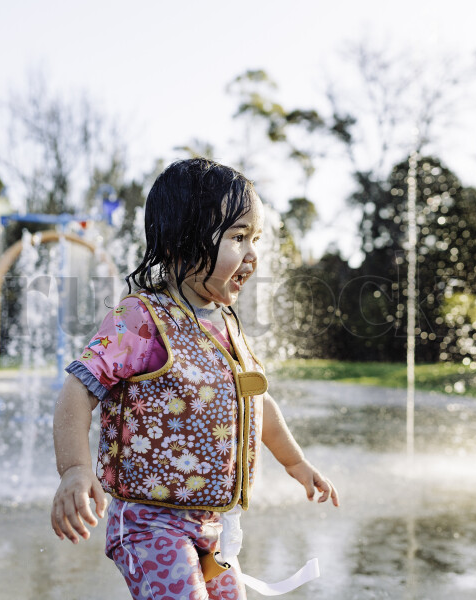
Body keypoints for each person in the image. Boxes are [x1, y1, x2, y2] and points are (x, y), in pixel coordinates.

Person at [50, 158, 339, 599]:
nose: (253, 255)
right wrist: (74, 470)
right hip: (150, 523)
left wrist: (295, 462)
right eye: (238, 237)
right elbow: (78, 388)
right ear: (180, 242)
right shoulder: (142, 319)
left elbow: (256, 403)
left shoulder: (227, 324)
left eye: (255, 239)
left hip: (215, 525)